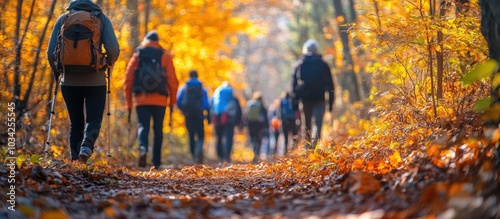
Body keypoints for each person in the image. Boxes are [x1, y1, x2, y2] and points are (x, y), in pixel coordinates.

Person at [46, 0, 120, 162]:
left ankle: (75, 162)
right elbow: (113, 49)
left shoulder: (63, 19)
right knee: (93, 119)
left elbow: (51, 52)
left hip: (69, 81)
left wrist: (58, 70)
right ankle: (86, 147)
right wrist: (109, 62)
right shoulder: (101, 19)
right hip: (96, 80)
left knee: (76, 123)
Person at [124, 30, 179, 169]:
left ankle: (142, 149)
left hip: (141, 99)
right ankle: (156, 161)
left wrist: (129, 103)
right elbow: (173, 81)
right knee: (158, 129)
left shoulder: (138, 54)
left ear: (145, 40)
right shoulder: (165, 55)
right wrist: (172, 103)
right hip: (160, 100)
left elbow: (128, 79)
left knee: (143, 126)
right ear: (157, 41)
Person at [291, 39, 334, 149]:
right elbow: (330, 84)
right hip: (320, 98)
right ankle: (314, 147)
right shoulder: (322, 63)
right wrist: (330, 102)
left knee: (306, 125)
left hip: (305, 99)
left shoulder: (299, 64)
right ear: (316, 50)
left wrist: (294, 102)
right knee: (318, 124)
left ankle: (307, 149)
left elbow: (294, 84)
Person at [176, 70, 210, 164]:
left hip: (188, 115)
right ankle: (199, 149)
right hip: (199, 115)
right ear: (197, 76)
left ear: (189, 76)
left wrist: (184, 110)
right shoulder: (202, 88)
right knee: (200, 135)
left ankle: (193, 156)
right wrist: (206, 113)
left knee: (191, 136)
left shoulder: (184, 88)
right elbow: (206, 104)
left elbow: (178, 101)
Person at [210, 82, 242, 163]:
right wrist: (238, 122)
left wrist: (210, 119)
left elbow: (210, 107)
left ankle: (220, 155)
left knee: (219, 137)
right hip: (229, 120)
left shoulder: (216, 96)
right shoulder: (233, 98)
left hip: (218, 119)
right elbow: (238, 110)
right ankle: (227, 156)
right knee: (228, 138)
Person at [244, 92, 269, 163]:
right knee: (259, 140)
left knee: (252, 139)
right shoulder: (262, 106)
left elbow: (246, 116)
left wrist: (245, 125)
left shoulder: (250, 105)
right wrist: (266, 127)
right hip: (260, 126)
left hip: (251, 125)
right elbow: (265, 118)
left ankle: (254, 152)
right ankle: (257, 153)